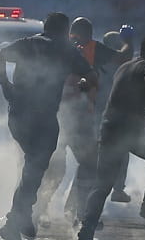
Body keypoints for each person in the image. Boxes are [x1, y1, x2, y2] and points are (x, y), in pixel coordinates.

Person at [0, 11, 97, 240]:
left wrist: (4, 83)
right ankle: (16, 219)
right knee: (35, 167)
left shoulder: (28, 43)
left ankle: (22, 215)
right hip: (43, 119)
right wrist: (83, 84)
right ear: (64, 30)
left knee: (33, 166)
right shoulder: (67, 50)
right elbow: (91, 76)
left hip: (17, 115)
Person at [76, 33, 145, 240]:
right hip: (133, 126)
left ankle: (87, 228)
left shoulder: (124, 67)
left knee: (103, 183)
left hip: (110, 125)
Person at [38, 17, 104, 223]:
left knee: (87, 163)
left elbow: (91, 78)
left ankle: (75, 210)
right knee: (58, 167)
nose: (80, 40)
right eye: (75, 35)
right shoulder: (63, 51)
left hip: (74, 116)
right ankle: (40, 209)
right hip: (60, 115)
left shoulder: (81, 52)